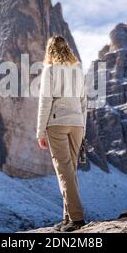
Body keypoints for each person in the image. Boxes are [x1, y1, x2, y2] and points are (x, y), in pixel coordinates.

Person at [36, 35, 87, 232]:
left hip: (57, 124)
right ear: (68, 49)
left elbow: (45, 101)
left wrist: (40, 131)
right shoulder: (78, 69)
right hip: (77, 125)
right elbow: (84, 101)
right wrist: (83, 128)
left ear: (49, 50)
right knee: (70, 171)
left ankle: (76, 219)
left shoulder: (50, 70)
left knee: (64, 171)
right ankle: (67, 219)